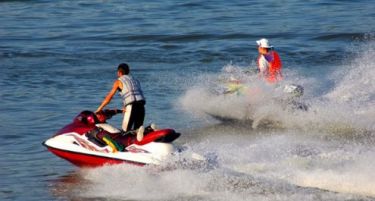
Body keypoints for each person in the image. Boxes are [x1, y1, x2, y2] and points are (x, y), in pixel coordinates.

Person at [95, 63, 146, 134]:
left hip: (131, 107)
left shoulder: (118, 81)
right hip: (141, 107)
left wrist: (99, 109)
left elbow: (109, 97)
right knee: (137, 131)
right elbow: (134, 94)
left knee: (124, 133)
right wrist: (125, 106)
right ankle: (149, 131)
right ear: (128, 72)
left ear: (119, 72)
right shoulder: (135, 80)